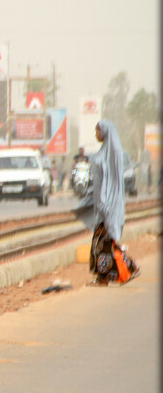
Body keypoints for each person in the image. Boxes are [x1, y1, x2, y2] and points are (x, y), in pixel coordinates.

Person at [76, 120, 140, 285]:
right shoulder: (104, 151)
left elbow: (110, 182)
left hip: (108, 205)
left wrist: (105, 204)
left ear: (104, 132)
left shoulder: (113, 153)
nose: (96, 134)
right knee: (103, 242)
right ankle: (124, 270)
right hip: (102, 206)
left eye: (97, 131)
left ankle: (120, 271)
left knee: (103, 243)